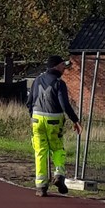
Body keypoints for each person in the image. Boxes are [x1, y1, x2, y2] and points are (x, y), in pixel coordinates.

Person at [26, 55, 83, 197]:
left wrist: (32, 116)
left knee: (40, 152)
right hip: (54, 120)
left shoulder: (37, 80)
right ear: (56, 66)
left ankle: (41, 186)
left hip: (37, 120)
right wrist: (75, 120)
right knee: (57, 149)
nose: (65, 68)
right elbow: (64, 104)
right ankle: (59, 175)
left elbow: (29, 102)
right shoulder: (59, 83)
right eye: (63, 65)